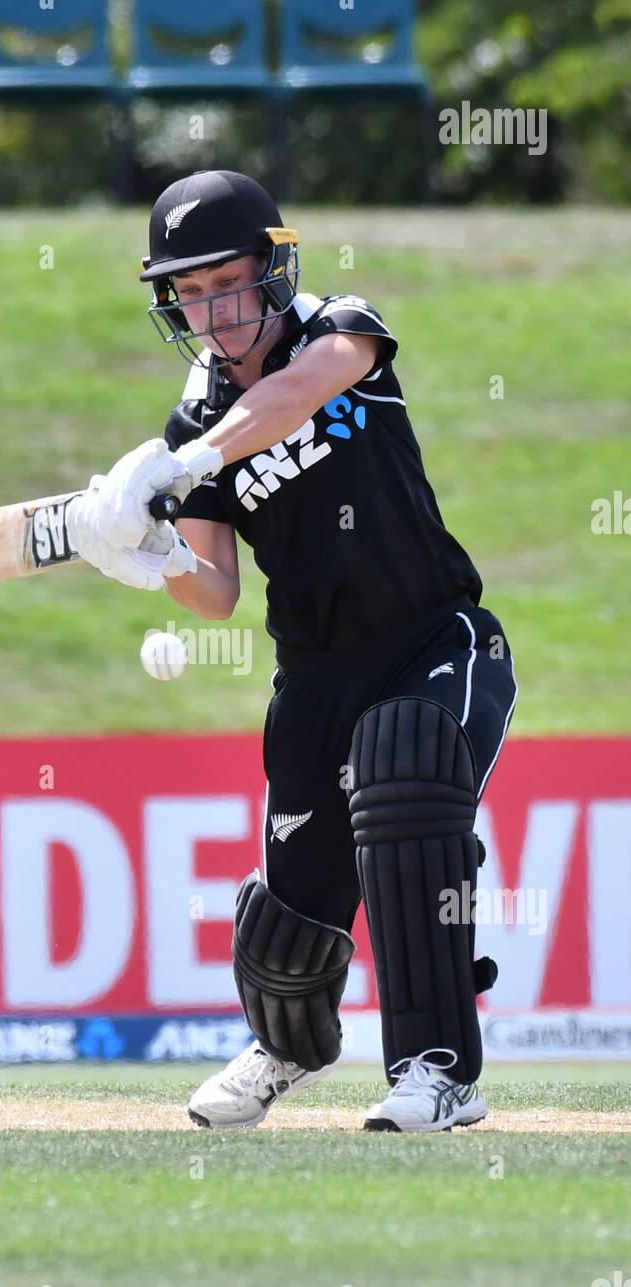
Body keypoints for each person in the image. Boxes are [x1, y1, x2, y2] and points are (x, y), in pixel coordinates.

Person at [67, 169, 518, 1132]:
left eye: (226, 282)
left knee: (404, 772)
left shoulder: (337, 329)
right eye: (187, 295)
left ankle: (439, 1072)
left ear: (275, 268)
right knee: (287, 929)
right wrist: (147, 556)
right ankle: (287, 1048)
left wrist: (188, 465)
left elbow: (298, 394)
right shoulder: (192, 421)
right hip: (314, 677)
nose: (212, 312)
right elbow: (216, 590)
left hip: (435, 639)